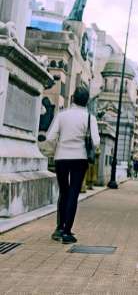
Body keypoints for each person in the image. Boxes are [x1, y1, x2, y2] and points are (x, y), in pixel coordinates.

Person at [46, 86, 100, 244]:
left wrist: (55, 149)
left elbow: (50, 137)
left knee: (64, 192)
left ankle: (59, 228)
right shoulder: (90, 118)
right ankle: (67, 232)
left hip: (61, 157)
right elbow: (96, 142)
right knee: (73, 194)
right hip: (79, 158)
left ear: (72, 98)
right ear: (87, 101)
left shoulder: (62, 116)